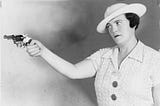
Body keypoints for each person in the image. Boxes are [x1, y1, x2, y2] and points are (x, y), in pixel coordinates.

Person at [26, 3, 160, 106]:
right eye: (109, 26)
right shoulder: (103, 56)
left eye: (118, 23)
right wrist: (43, 51)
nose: (113, 29)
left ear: (133, 23)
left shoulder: (153, 59)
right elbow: (73, 71)